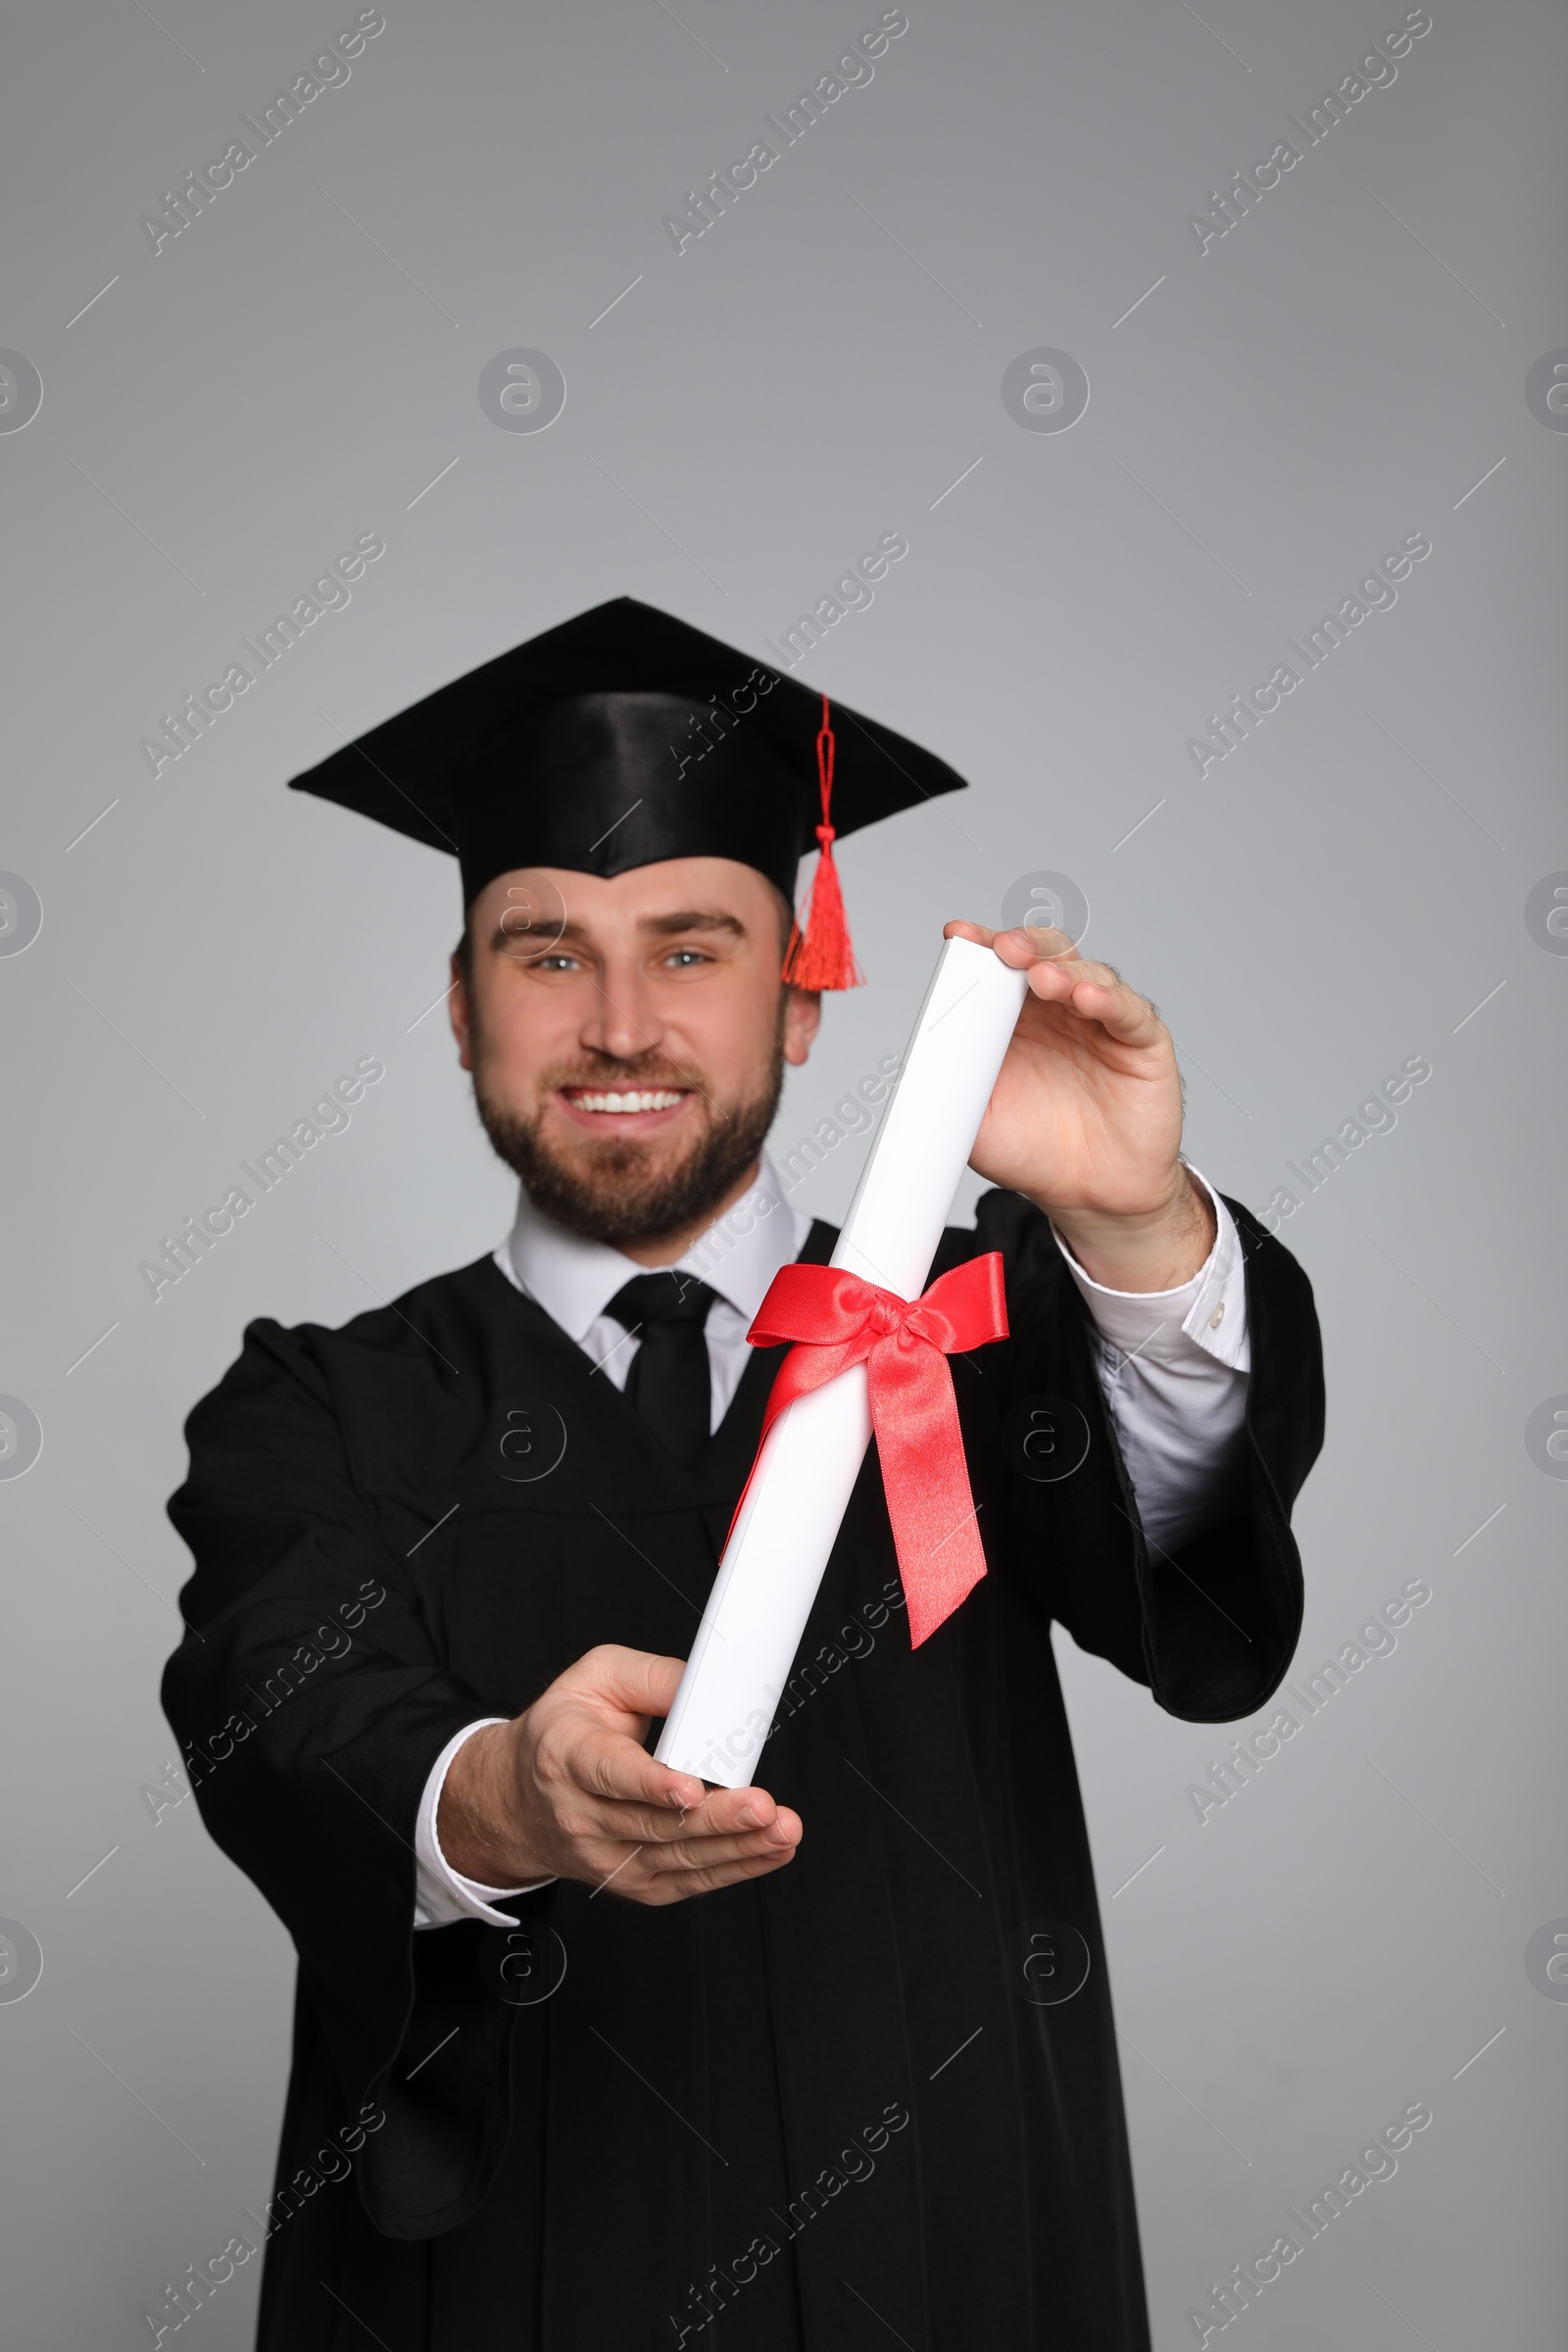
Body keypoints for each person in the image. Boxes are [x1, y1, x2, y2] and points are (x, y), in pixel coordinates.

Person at [162, 597, 1323, 2351]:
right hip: (495, 2281)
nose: (622, 1025)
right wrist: (508, 1798)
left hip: (951, 2251)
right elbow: (287, 1722)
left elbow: (1200, 1600)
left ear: (799, 995)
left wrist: (1136, 1224)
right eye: (548, 952)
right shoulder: (319, 1409)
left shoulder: (975, 1338)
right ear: (461, 1009)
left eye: (694, 948)